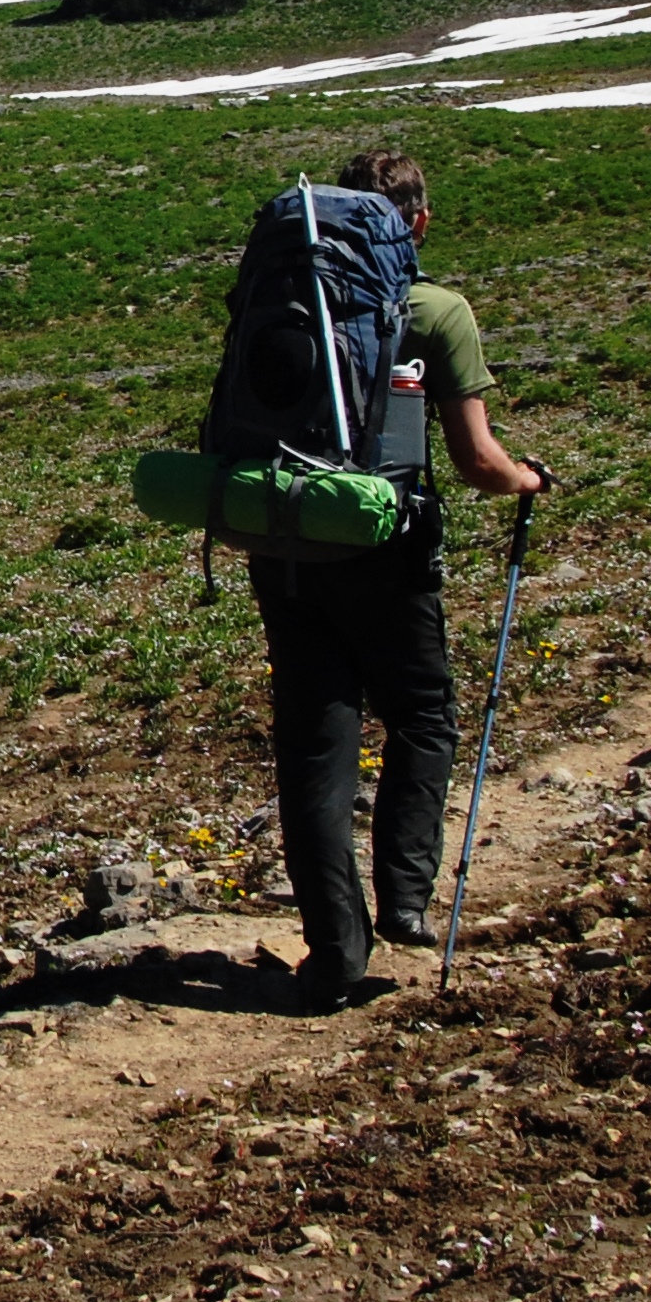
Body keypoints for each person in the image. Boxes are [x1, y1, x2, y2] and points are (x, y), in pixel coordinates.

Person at [250, 148, 547, 1010]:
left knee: (314, 742)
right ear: (413, 222)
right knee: (423, 714)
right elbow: (478, 460)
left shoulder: (287, 300)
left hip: (285, 544)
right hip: (389, 549)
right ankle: (407, 902)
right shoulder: (434, 311)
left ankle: (335, 950)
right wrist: (526, 479)